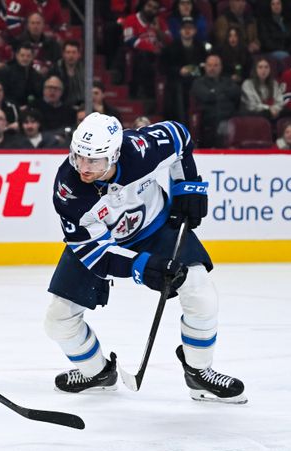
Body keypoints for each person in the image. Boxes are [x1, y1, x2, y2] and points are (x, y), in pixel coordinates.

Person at [45, 112, 246, 404]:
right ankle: (97, 374)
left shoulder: (139, 149)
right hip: (100, 243)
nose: (84, 168)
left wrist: (187, 186)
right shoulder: (69, 190)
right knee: (58, 320)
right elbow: (96, 254)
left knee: (201, 292)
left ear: (114, 155)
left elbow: (180, 137)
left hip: (155, 227)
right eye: (79, 157)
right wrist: (142, 266)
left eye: (94, 160)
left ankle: (199, 374)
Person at [190, 54, 241, 148]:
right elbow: (207, 96)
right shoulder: (199, 82)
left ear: (221, 67)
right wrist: (224, 93)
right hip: (209, 120)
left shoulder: (227, 81)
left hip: (231, 117)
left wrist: (215, 91)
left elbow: (236, 92)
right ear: (205, 67)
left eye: (215, 65)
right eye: (209, 65)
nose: (212, 68)